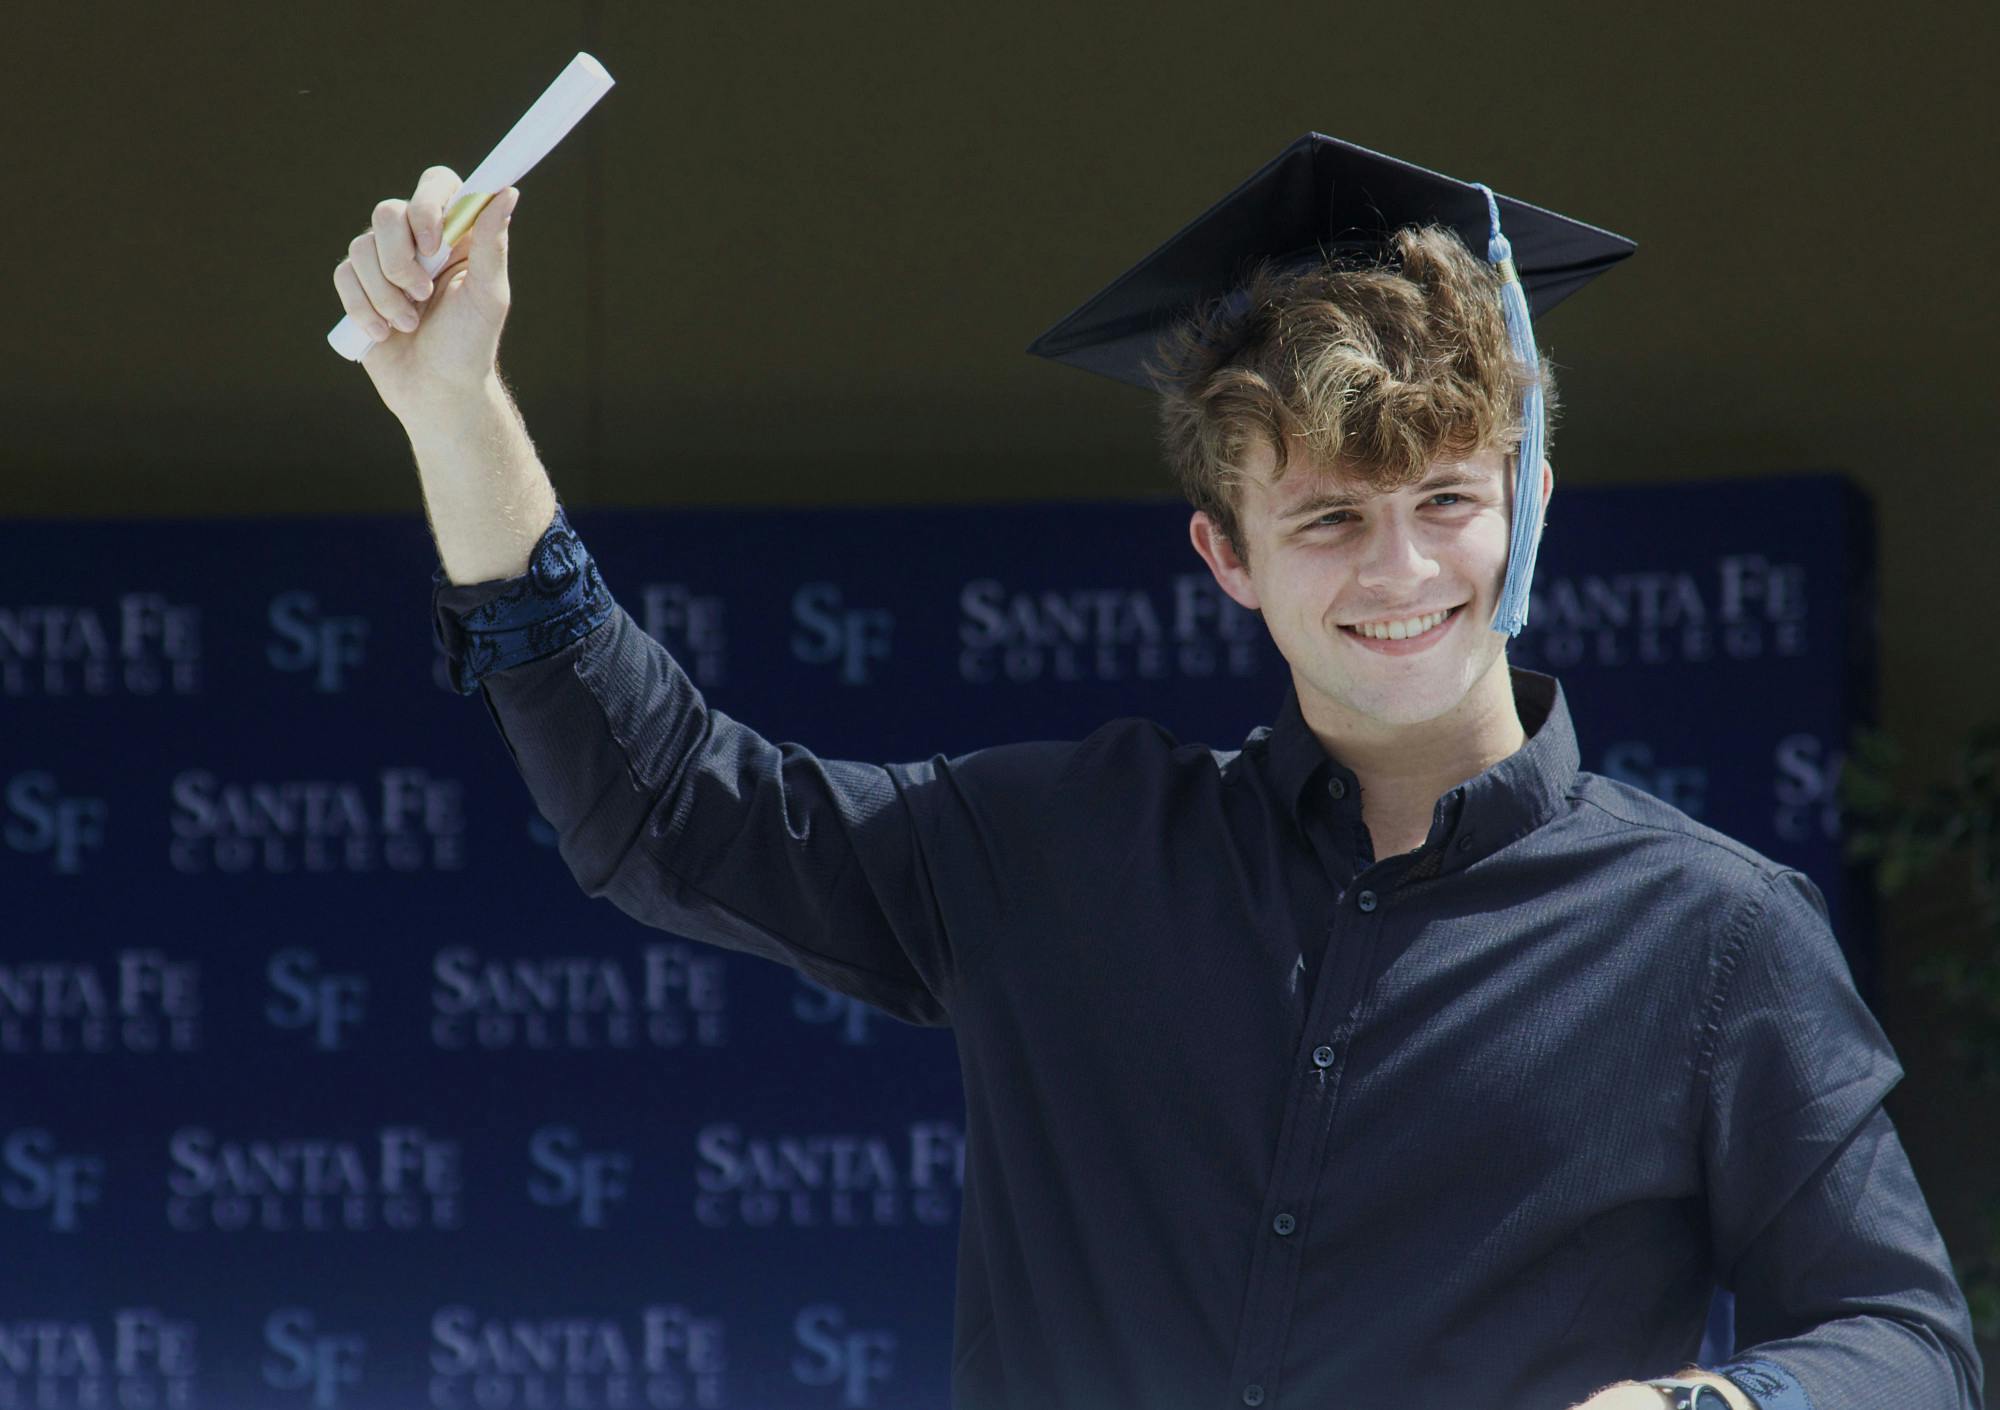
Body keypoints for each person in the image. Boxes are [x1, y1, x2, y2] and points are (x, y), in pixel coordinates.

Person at [331, 133, 1984, 1410]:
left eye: (1449, 501)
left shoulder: (1714, 936)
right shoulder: (1061, 849)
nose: (1403, 568)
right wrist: (454, 406)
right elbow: (666, 811)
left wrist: (1711, 1399)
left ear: (1529, 501)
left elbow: (1906, 1337)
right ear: (1228, 553)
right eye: (1331, 516)